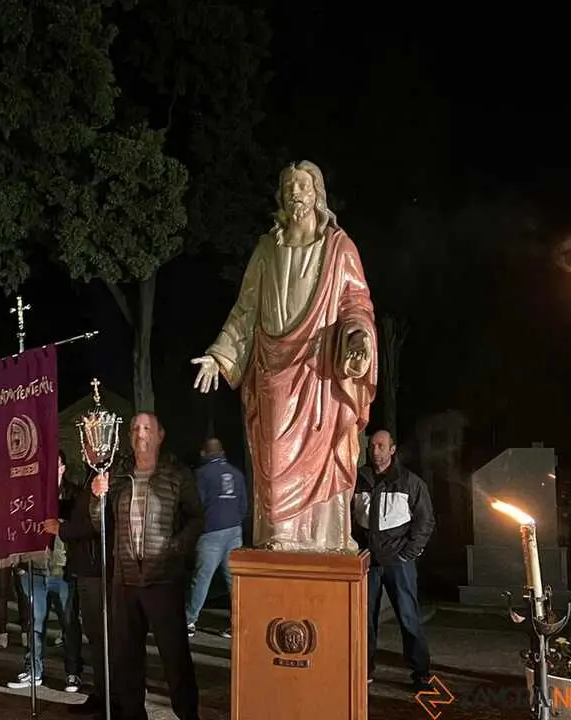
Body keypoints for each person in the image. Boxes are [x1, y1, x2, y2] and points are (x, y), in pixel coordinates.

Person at [192, 161, 377, 553]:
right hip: (274, 367)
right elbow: (246, 310)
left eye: (303, 185)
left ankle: (326, 535)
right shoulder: (267, 249)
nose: (296, 193)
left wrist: (358, 335)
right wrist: (219, 355)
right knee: (276, 454)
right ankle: (282, 532)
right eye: (289, 185)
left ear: (317, 193)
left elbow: (356, 300)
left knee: (326, 453)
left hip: (321, 368)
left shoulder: (339, 248)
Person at [91, 413, 204, 720]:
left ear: (160, 435)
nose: (140, 433)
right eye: (134, 429)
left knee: (175, 657)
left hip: (163, 580)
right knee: (127, 659)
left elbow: (196, 517)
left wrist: (175, 546)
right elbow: (99, 523)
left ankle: (188, 715)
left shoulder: (176, 473)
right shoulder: (118, 475)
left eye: (146, 428)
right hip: (125, 581)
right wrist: (97, 497)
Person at [352, 430, 435, 691]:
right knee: (364, 618)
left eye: (381, 446)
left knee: (408, 617)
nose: (375, 451)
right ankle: (365, 669)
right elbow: (349, 517)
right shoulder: (358, 480)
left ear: (392, 449)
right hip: (368, 561)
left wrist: (408, 553)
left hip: (398, 562)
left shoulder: (410, 482)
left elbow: (425, 520)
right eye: (372, 446)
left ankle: (421, 673)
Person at [6, 451, 82, 693]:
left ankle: (73, 672)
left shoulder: (74, 495)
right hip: (34, 568)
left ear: (63, 468)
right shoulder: (31, 493)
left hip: (62, 569)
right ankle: (34, 669)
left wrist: (63, 527)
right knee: (34, 622)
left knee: (68, 622)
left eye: (55, 464)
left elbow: (81, 528)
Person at [45, 454, 114, 717]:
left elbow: (97, 524)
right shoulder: (88, 476)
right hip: (85, 567)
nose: (87, 447)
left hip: (97, 568)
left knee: (103, 636)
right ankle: (100, 692)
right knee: (95, 636)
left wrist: (62, 530)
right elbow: (79, 511)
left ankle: (112, 698)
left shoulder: (106, 475)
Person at [185, 438, 247, 639]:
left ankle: (189, 621)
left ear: (204, 453)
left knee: (202, 578)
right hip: (234, 530)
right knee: (234, 580)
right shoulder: (237, 474)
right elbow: (243, 506)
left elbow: (196, 505)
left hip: (211, 532)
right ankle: (239, 624)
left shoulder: (201, 474)